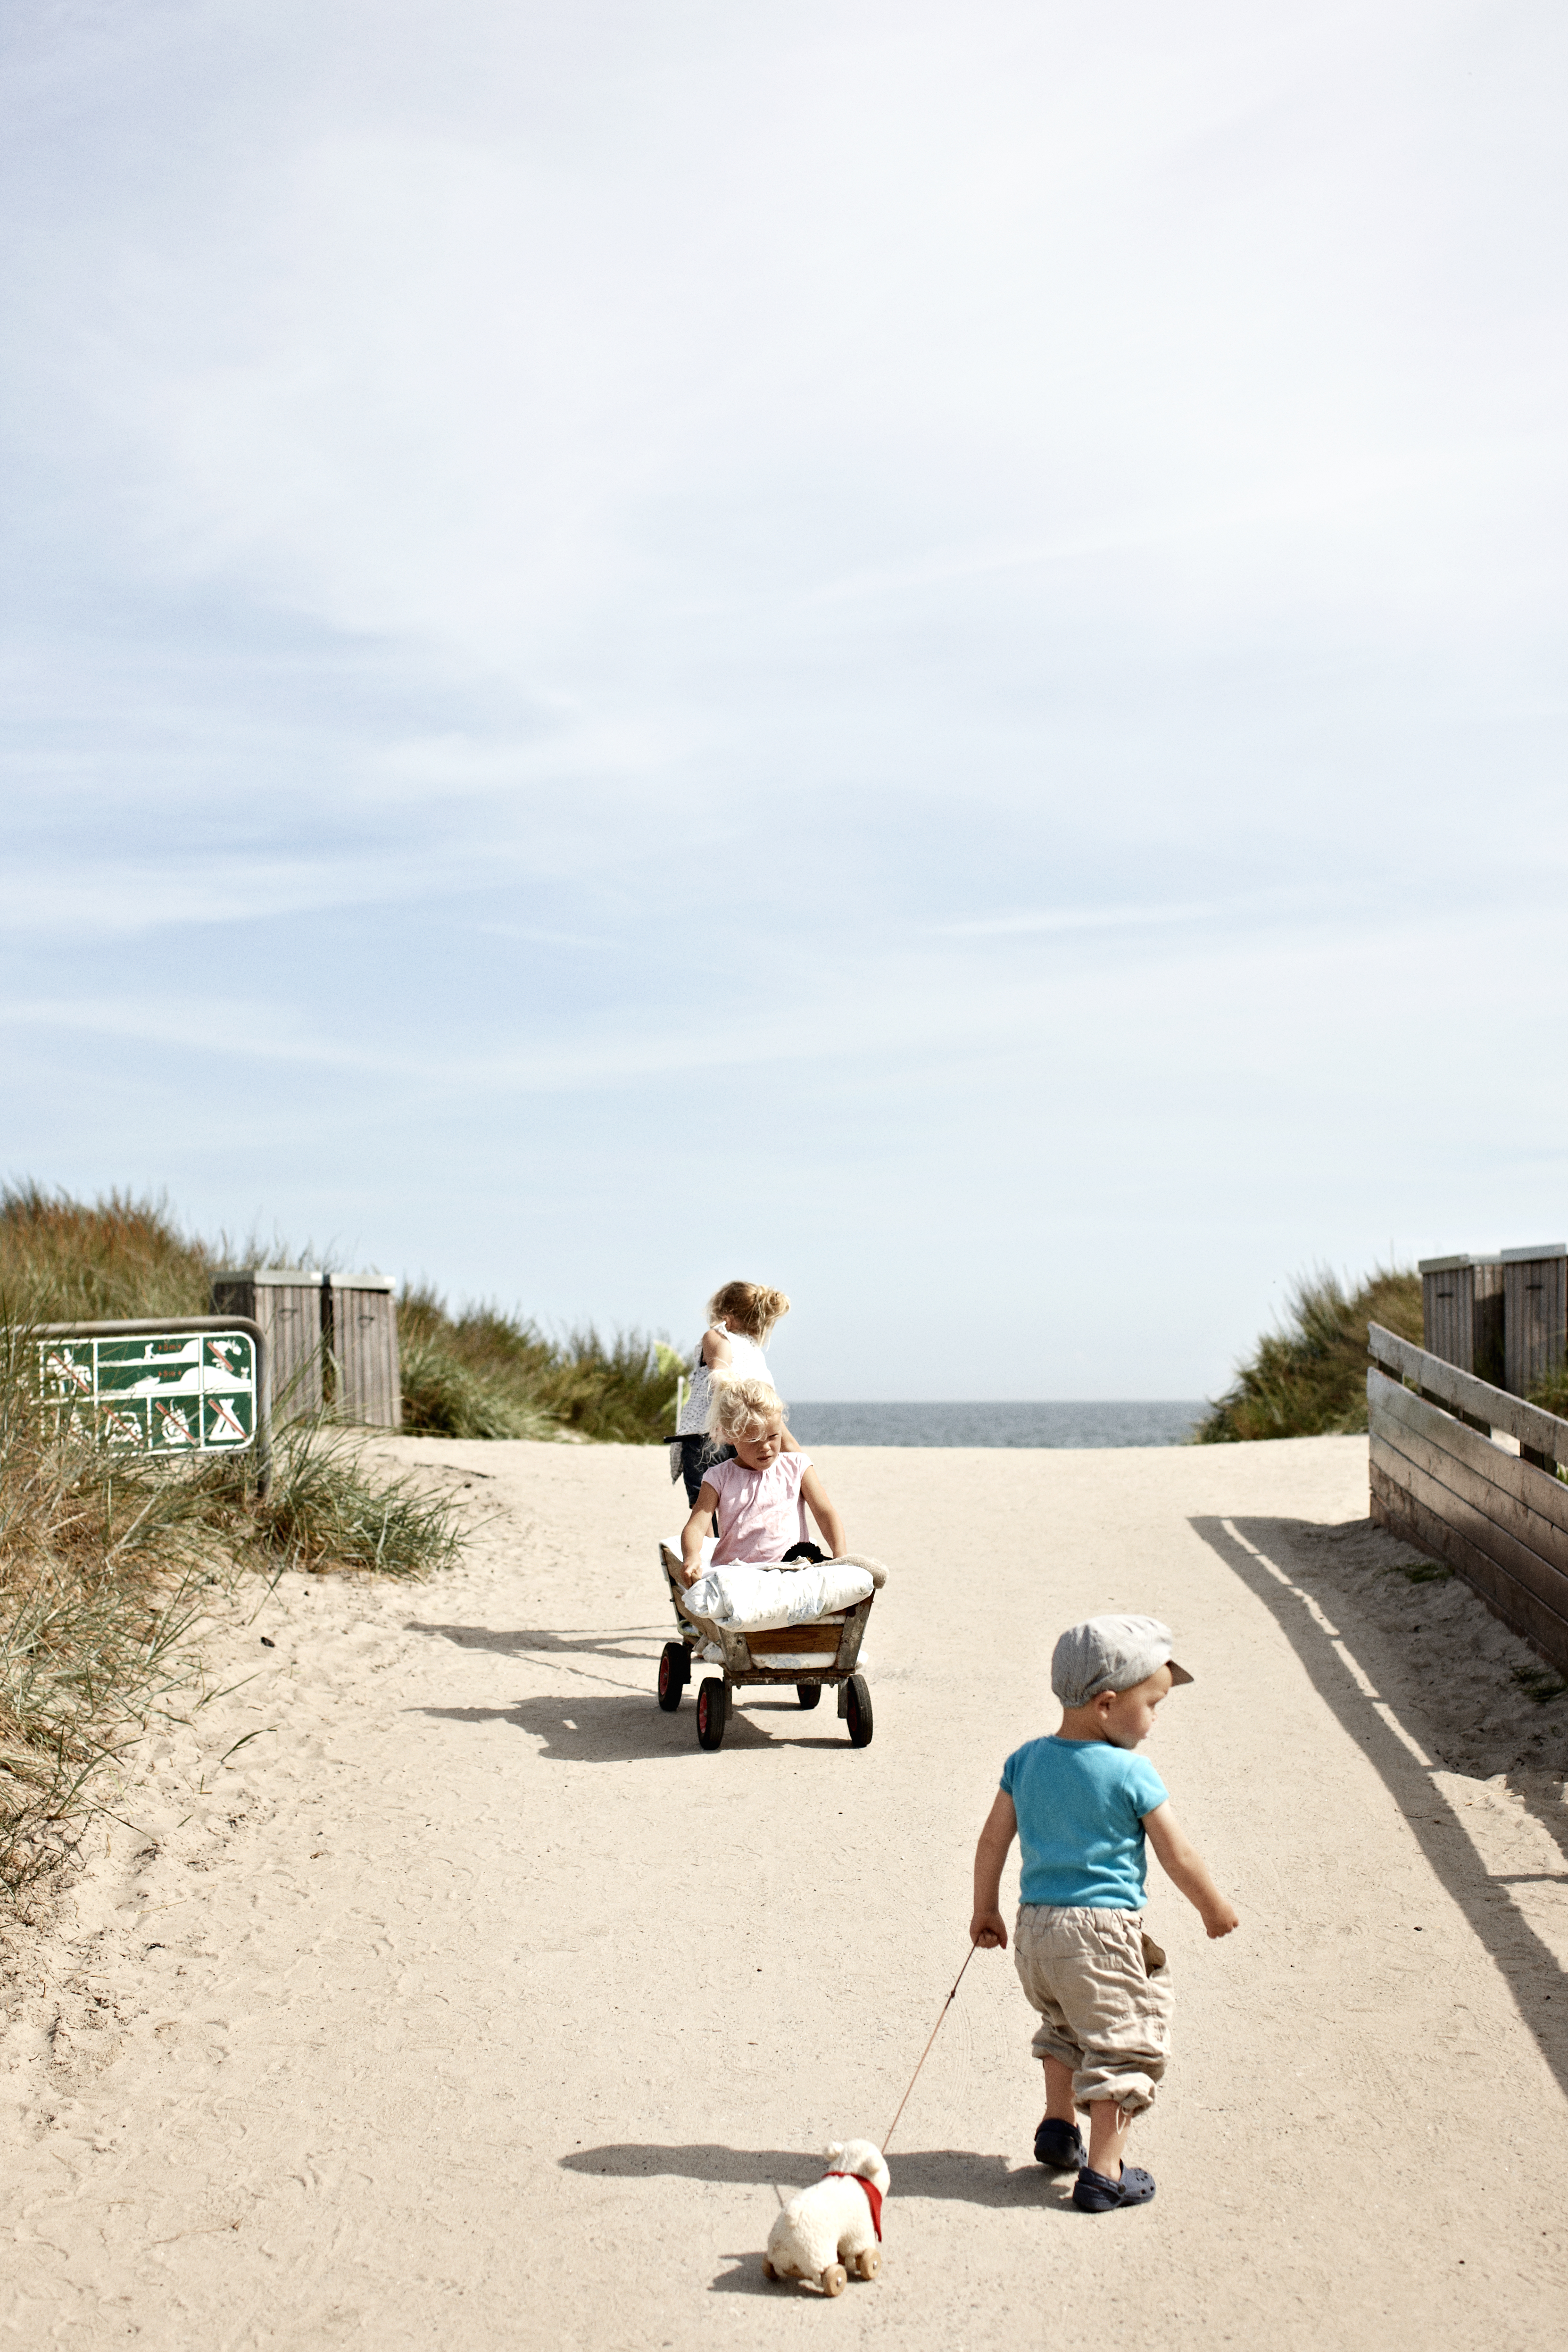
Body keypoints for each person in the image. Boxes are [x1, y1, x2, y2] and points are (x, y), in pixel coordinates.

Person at [968, 1614, 1239, 2214]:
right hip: (1100, 1933)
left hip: (1036, 1931)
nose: (1156, 1719)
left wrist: (985, 1908)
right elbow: (1177, 1852)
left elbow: (992, 1840)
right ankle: (1104, 2171)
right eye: (1153, 1703)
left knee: (1066, 2024)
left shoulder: (1026, 1760)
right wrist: (1213, 1907)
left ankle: (1058, 2124)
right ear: (1108, 1703)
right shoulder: (1130, 1772)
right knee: (1121, 2042)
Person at [675, 1378, 846, 1585]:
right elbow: (696, 1526)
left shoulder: (798, 1467)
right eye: (753, 1440)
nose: (765, 1447)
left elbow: (825, 1512)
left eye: (773, 1436)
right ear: (730, 1435)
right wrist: (692, 1556)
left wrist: (840, 1555)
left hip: (791, 1570)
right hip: (736, 1573)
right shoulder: (718, 1477)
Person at [673, 1280, 798, 1511]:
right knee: (742, 1501)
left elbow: (720, 1375)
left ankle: (709, 1545)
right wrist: (795, 1453)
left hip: (709, 1435)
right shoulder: (754, 1352)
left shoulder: (717, 1336)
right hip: (750, 1436)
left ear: (726, 1316)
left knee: (704, 1506)